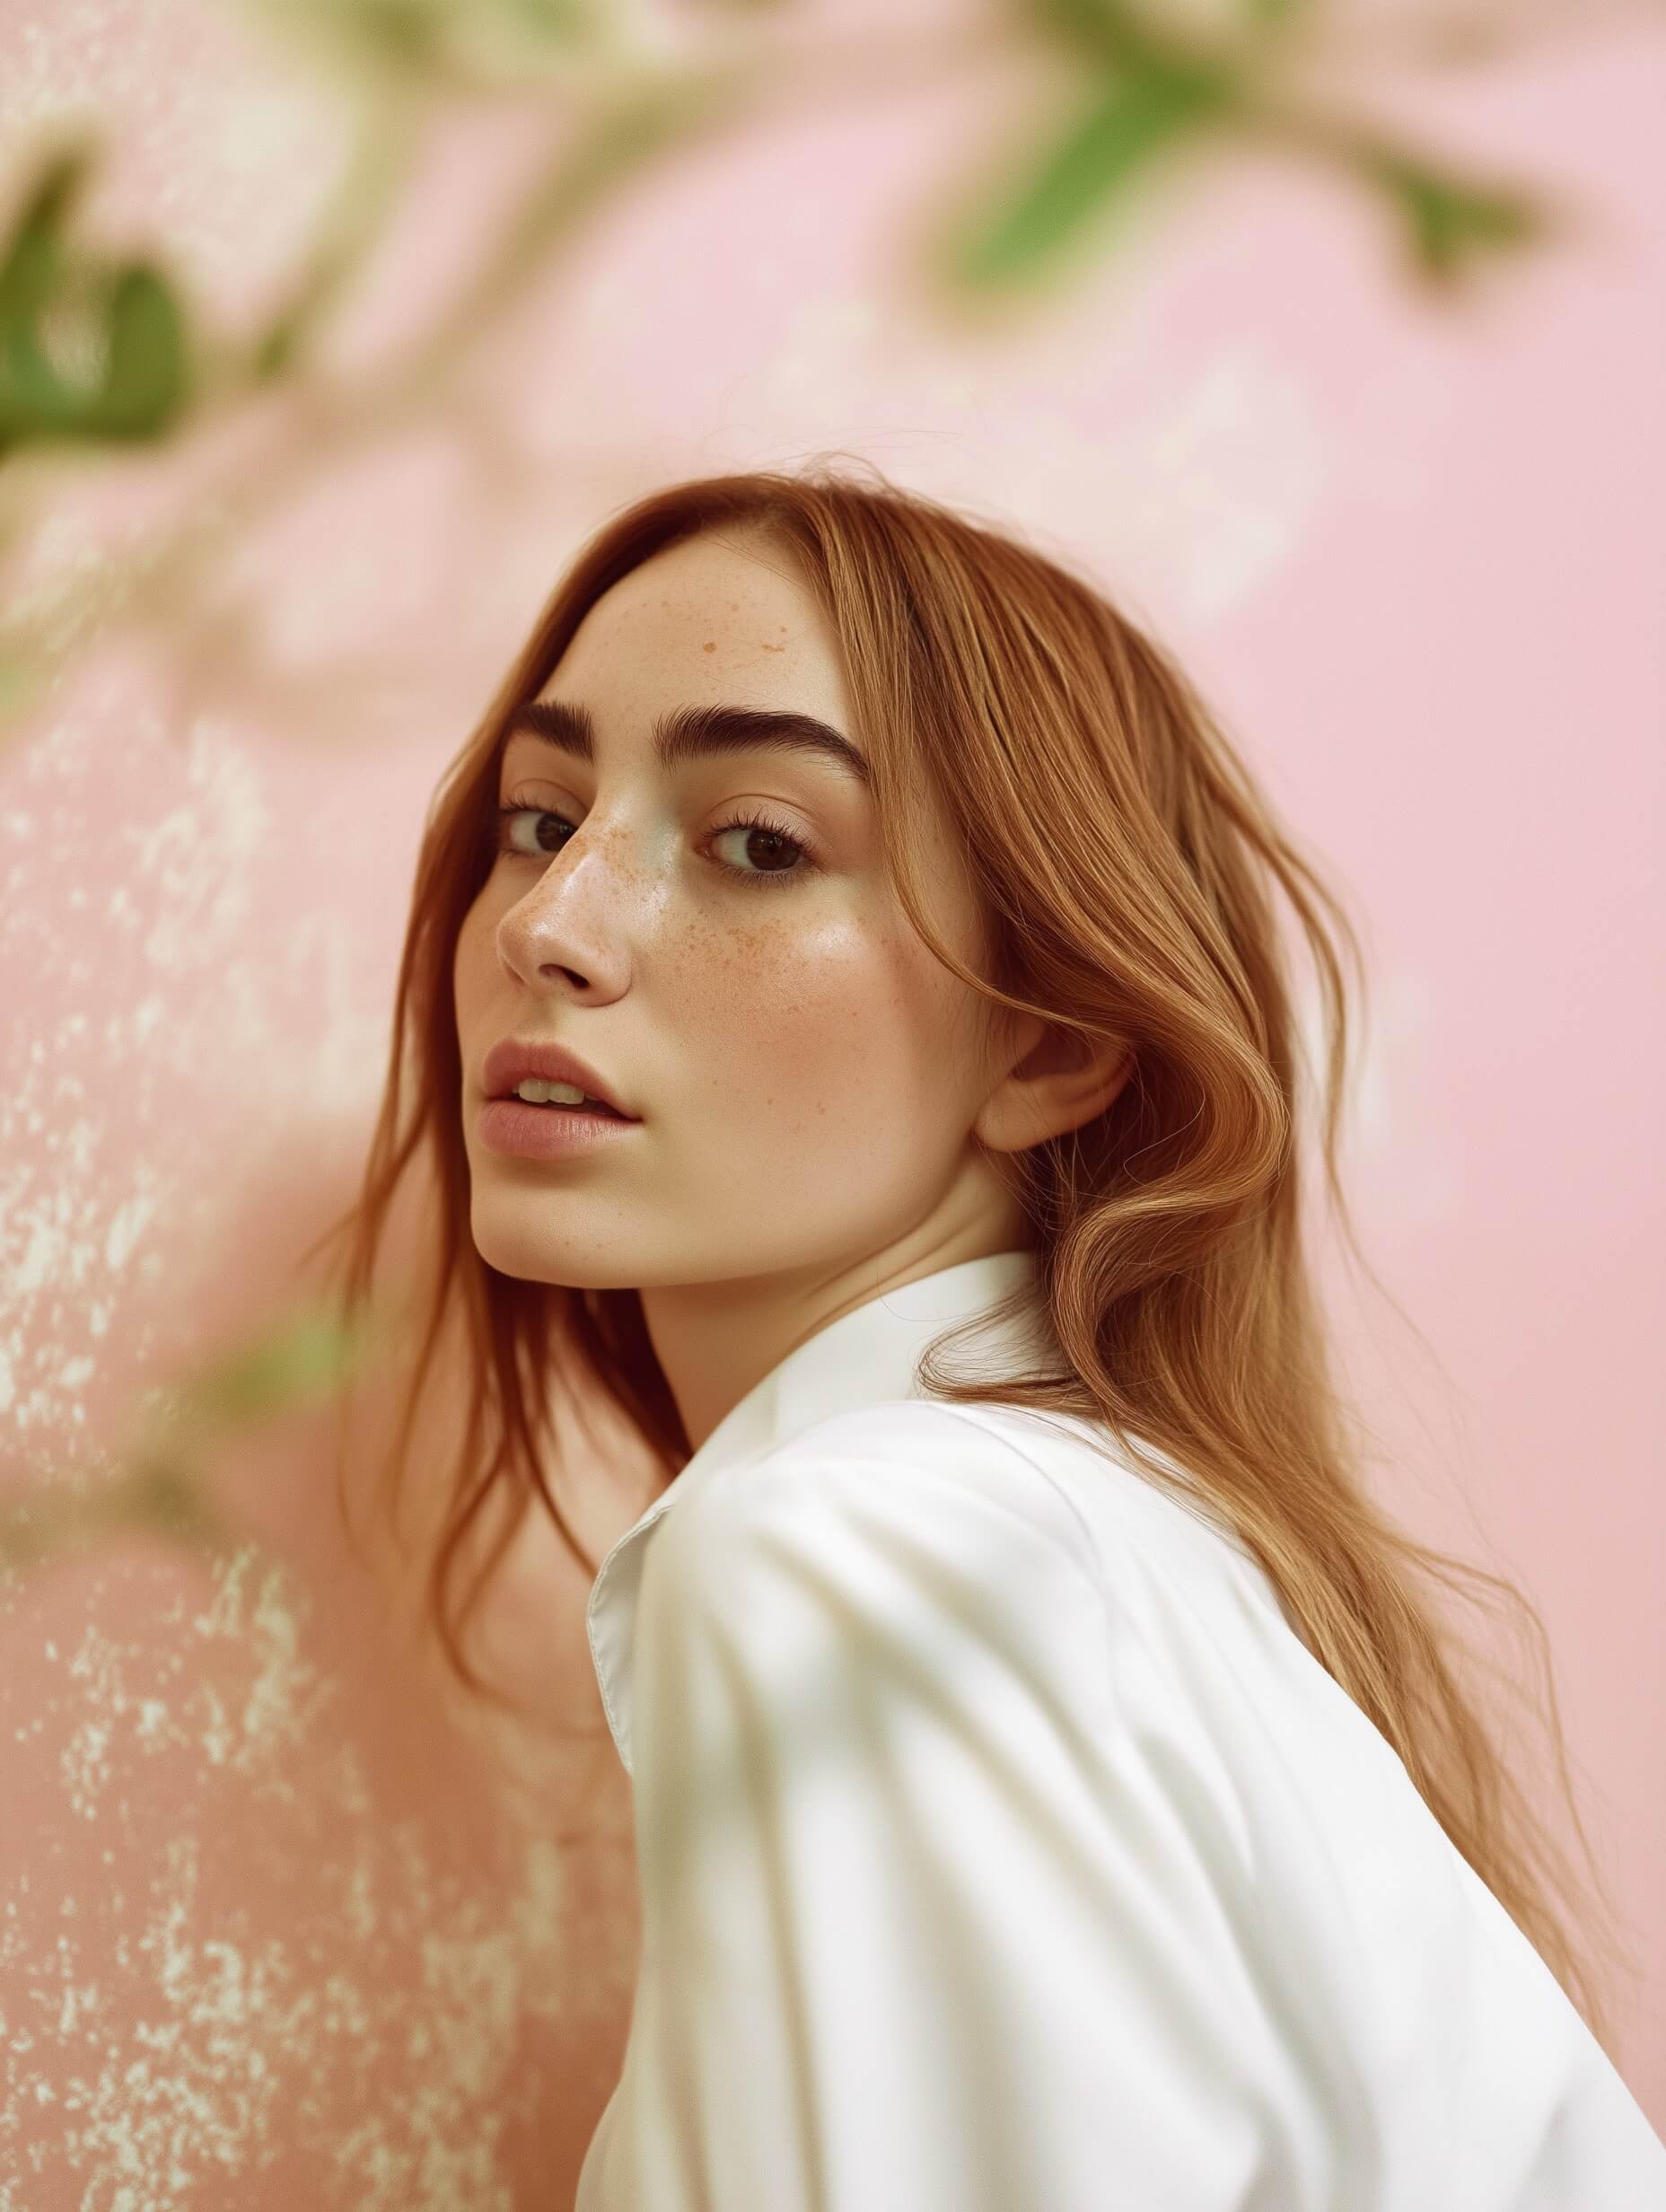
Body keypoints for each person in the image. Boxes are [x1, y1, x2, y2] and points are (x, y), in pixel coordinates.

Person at [308, 463, 1666, 2207]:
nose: (547, 928)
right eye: (541, 817)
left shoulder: (853, 1548)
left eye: (757, 842)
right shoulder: (1060, 1535)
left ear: (1047, 1046)